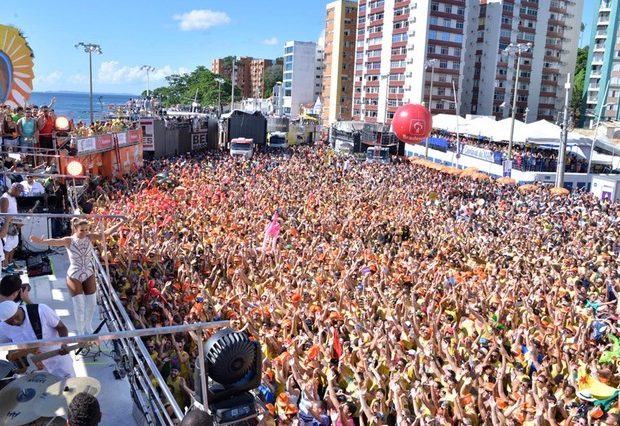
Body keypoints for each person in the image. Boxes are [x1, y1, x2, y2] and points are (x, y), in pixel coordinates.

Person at [30, 218, 122, 335]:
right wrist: (40, 241)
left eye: (86, 230)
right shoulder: (69, 240)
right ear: (75, 229)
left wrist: (121, 222)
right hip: (74, 274)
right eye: (82, 230)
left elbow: (107, 233)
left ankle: (87, 325)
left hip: (88, 272)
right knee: (79, 305)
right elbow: (54, 241)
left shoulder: (89, 237)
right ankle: (80, 331)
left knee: (92, 303)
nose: (84, 232)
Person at [0, 300, 75, 378]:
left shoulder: (41, 310)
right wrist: (13, 356)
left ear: (19, 308)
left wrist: (64, 344)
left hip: (58, 360)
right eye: (10, 322)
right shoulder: (3, 327)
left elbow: (61, 327)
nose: (15, 322)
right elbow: (5, 345)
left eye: (17, 317)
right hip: (34, 370)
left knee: (69, 386)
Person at [0, 183, 23, 273]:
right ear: (14, 189)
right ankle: (4, 267)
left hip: (14, 226)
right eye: (19, 191)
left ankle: (9, 264)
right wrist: (15, 222)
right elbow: (3, 216)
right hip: (7, 227)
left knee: (13, 246)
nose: (20, 194)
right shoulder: (5, 198)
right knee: (7, 249)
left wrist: (18, 222)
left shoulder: (13, 198)